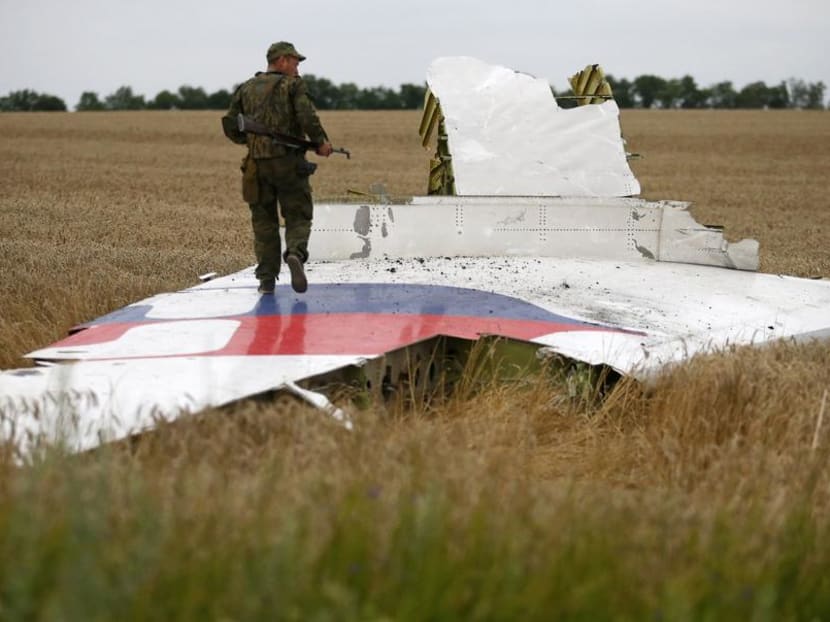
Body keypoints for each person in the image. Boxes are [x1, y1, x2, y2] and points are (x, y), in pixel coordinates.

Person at [222, 41, 333, 294]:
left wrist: (249, 141)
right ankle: (294, 253)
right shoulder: (292, 85)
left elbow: (230, 124)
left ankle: (266, 281)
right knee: (298, 214)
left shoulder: (245, 88)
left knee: (263, 224)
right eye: (295, 62)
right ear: (281, 60)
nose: (297, 68)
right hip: (288, 164)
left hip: (255, 166)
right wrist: (321, 143)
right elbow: (307, 116)